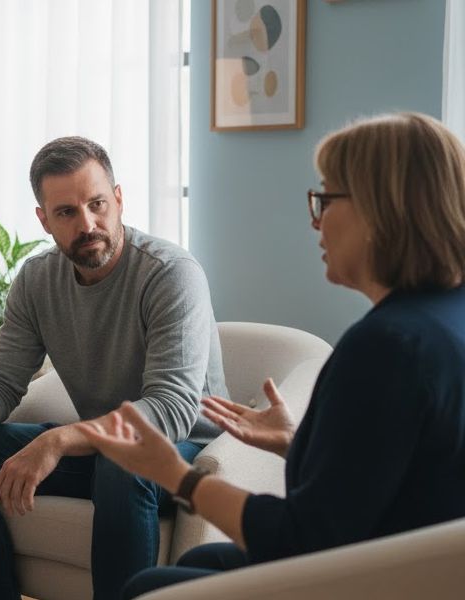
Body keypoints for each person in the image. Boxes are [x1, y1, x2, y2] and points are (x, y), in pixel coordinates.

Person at [77, 112, 465, 599]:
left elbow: (302, 535)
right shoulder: (446, 317)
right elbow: (403, 471)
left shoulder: (387, 347)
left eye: (325, 198)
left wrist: (176, 475)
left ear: (380, 210)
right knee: (202, 559)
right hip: (422, 567)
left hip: (378, 577)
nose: (315, 220)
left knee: (153, 587)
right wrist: (295, 440)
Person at [0, 136, 228, 600]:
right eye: (66, 212)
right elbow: (1, 381)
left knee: (123, 461)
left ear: (118, 199)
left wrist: (59, 439)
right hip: (102, 450)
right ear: (44, 219)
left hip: (188, 451)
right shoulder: (38, 279)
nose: (88, 224)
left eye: (98, 204)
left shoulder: (170, 273)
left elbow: (172, 410)